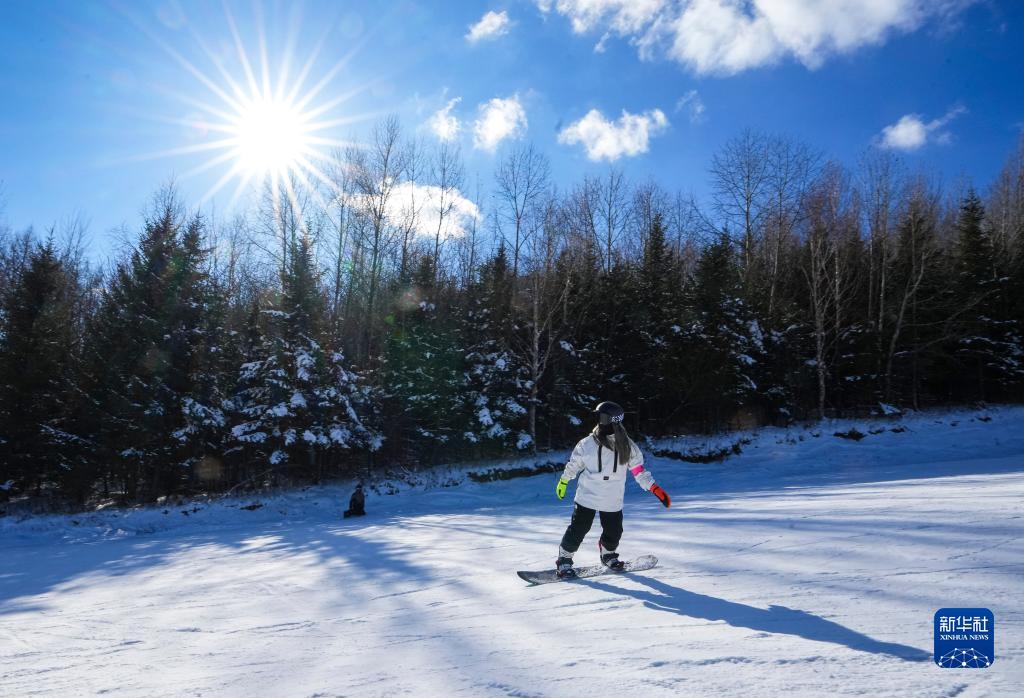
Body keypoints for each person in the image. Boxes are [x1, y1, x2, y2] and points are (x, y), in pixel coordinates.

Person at [554, 401, 670, 578]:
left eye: (603, 418)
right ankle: (564, 560)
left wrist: (654, 488)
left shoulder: (626, 445)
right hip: (588, 493)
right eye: (598, 417)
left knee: (614, 531)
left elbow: (638, 470)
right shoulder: (587, 443)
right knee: (579, 528)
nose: (600, 422)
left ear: (613, 420)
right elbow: (574, 465)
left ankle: (608, 554)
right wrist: (564, 481)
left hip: (612, 495)